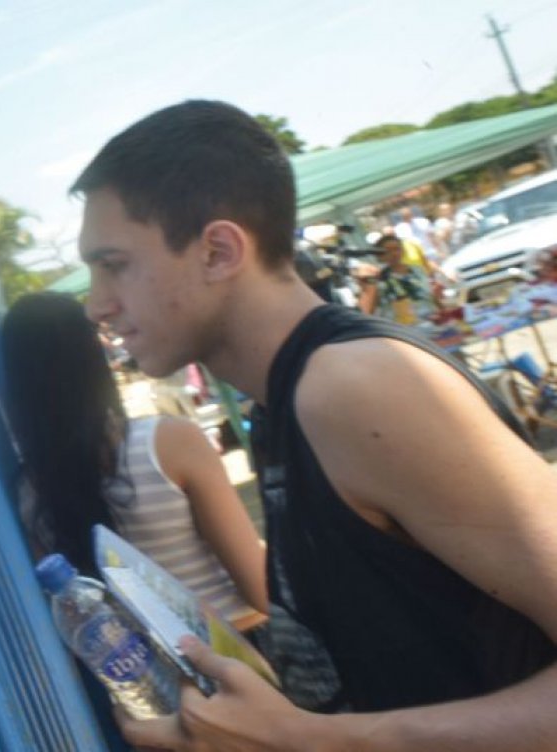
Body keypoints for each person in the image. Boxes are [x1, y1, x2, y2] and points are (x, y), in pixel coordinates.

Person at [72, 99, 557, 750]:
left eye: (115, 265)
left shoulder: (356, 388)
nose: (98, 304)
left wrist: (311, 741)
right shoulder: (286, 403)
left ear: (217, 250)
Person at [1, 293, 268, 635]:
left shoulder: (29, 491)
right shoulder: (169, 442)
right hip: (242, 651)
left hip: (155, 679)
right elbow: (259, 590)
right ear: (93, 355)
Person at [357, 233, 443, 326]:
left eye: (396, 249)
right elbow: (366, 311)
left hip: (433, 324)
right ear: (379, 255)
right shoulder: (377, 278)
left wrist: (441, 307)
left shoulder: (417, 270)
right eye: (388, 251)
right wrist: (367, 285)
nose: (394, 254)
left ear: (403, 251)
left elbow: (432, 297)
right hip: (403, 332)